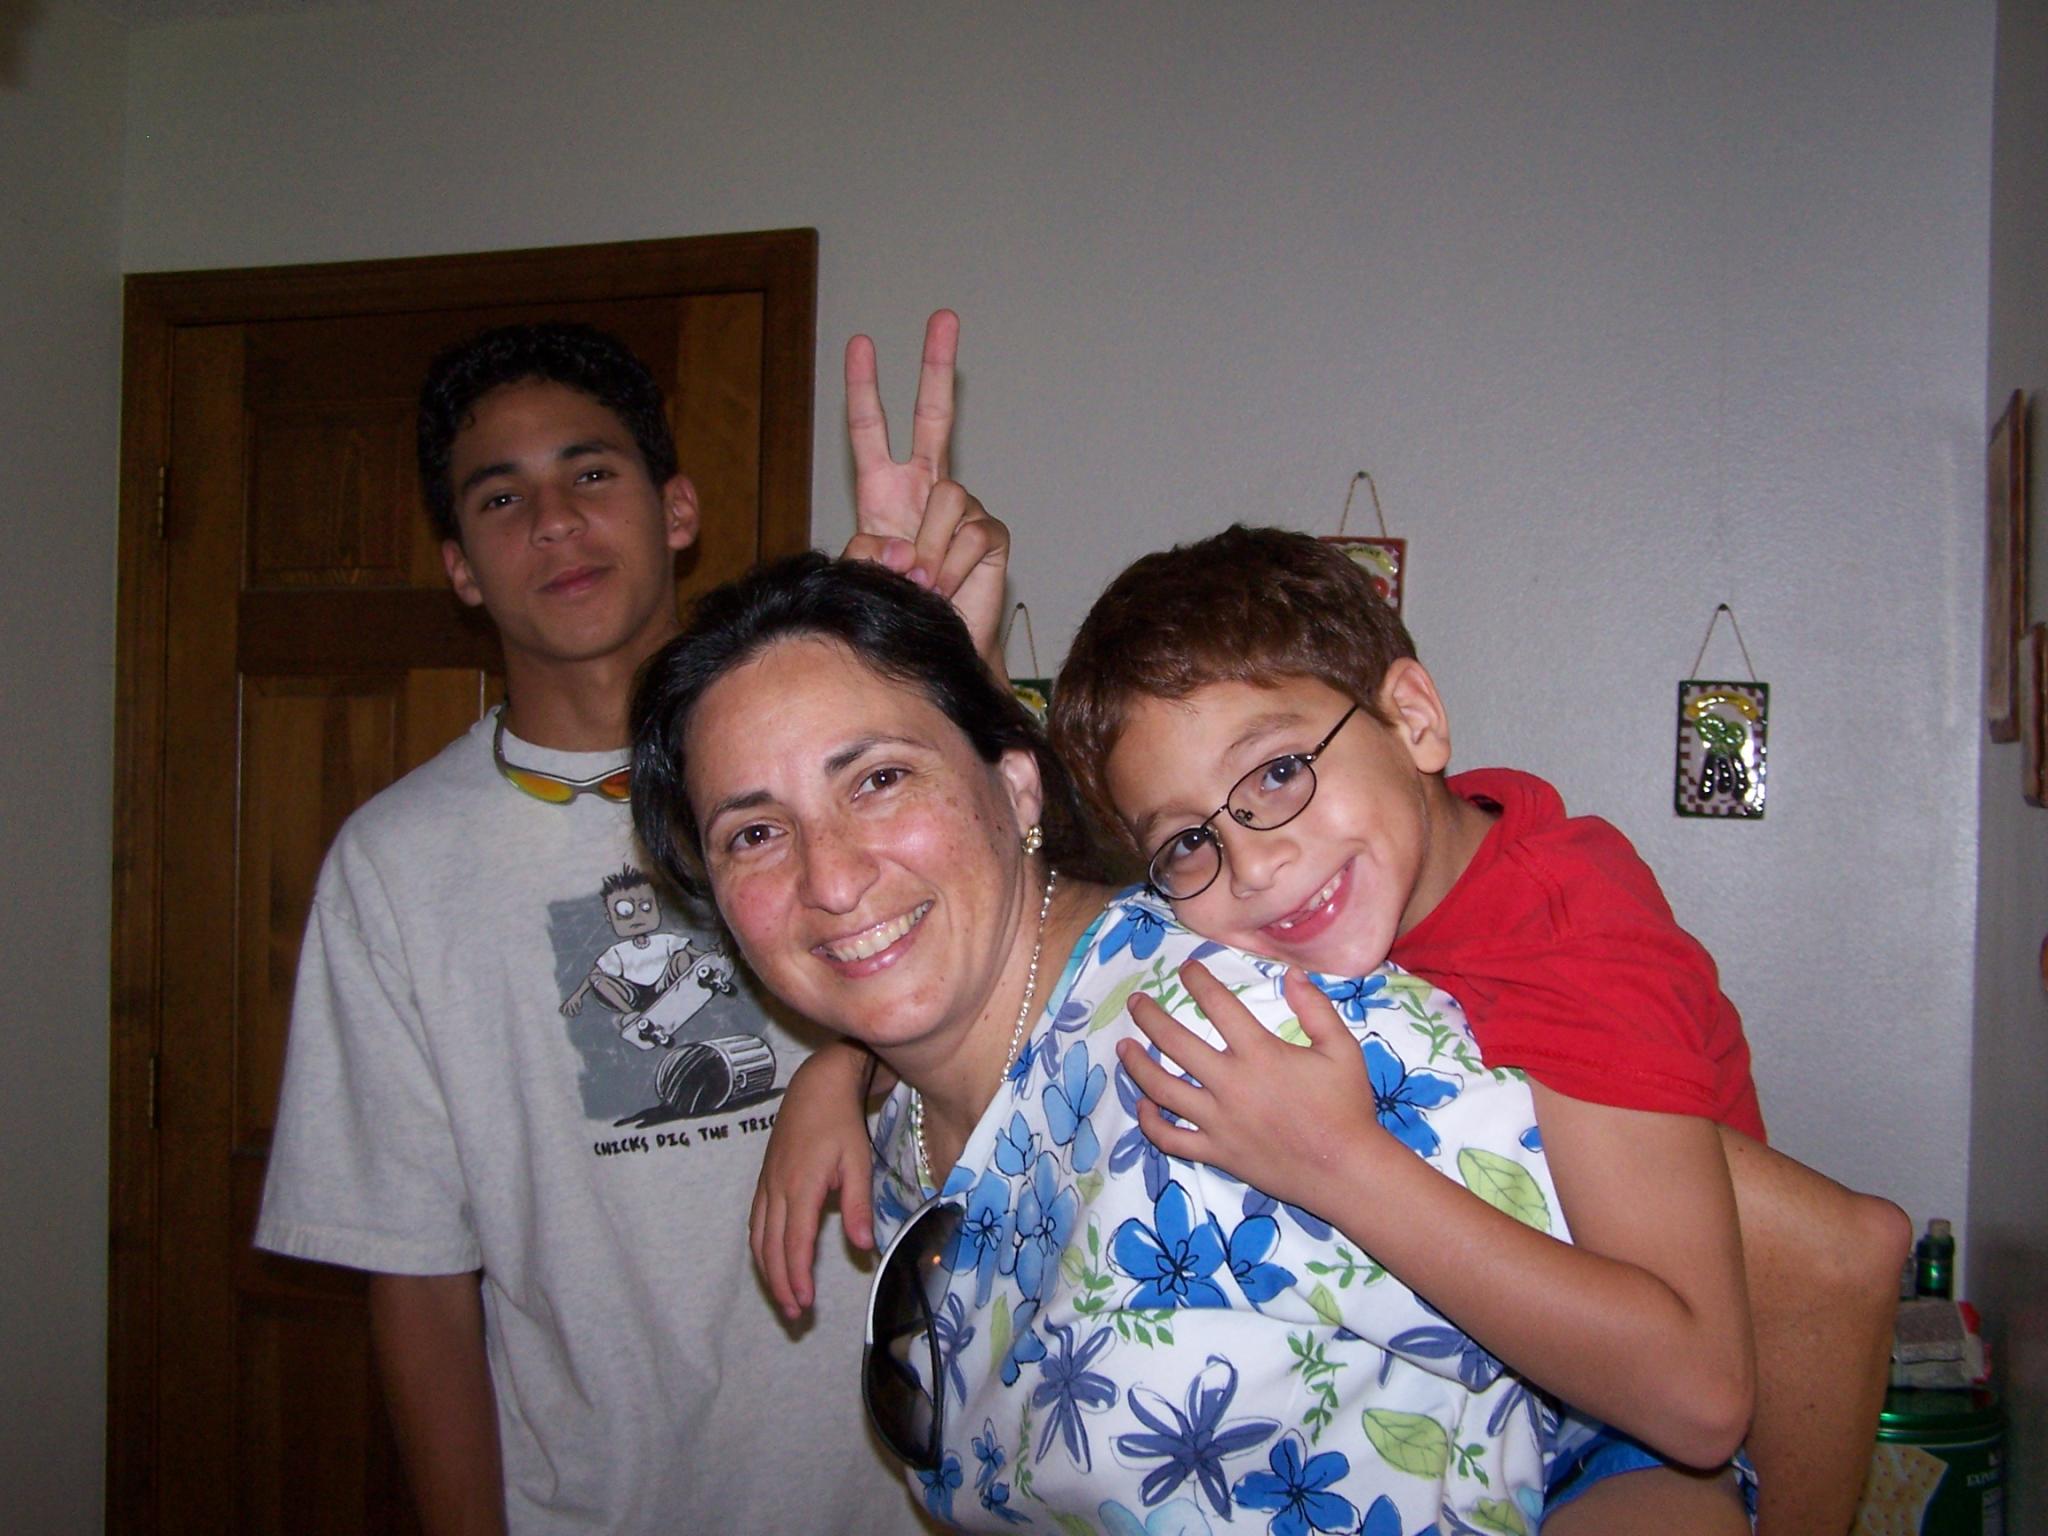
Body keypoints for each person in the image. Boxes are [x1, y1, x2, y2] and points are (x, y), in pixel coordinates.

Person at [758, 526, 1909, 1535]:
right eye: (1187, 842)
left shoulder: (1567, 939)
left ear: (1413, 717)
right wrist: (845, 1066)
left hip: (1642, 1439)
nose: (1254, 861)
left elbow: (1699, 1397)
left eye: (1276, 772)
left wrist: (1337, 1162)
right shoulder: (1335, 880)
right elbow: (1015, 922)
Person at [628, 552, 1583, 1534]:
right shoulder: (899, 1129)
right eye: (752, 834)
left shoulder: (1245, 1026)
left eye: (877, 779)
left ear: (1014, 787)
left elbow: (1678, 1358)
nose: (827, 876)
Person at [255, 312, 1000, 1534]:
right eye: (500, 499)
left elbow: (1020, 958)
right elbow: (415, 1275)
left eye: (591, 473)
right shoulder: (393, 869)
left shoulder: (832, 783)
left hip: (908, 1495)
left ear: (677, 510)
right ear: (458, 566)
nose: (553, 522)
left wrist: (929, 680)